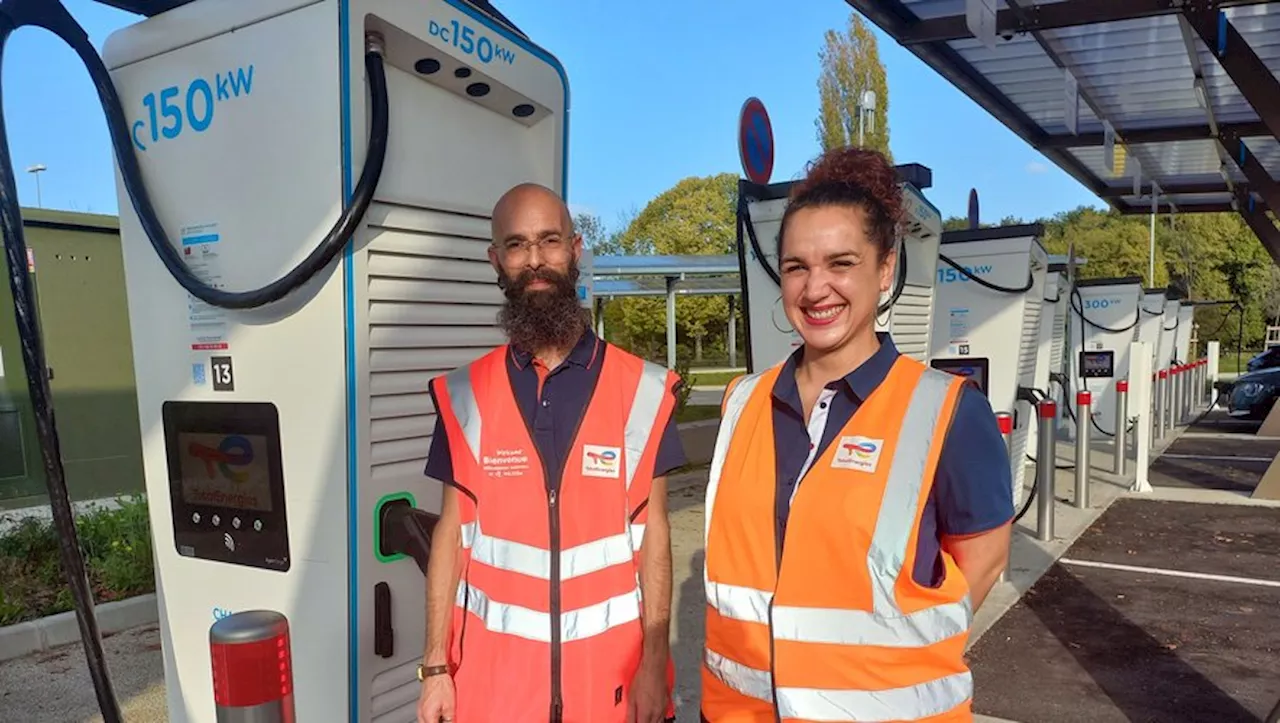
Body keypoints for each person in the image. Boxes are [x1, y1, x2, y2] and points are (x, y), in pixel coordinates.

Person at [701, 148, 1014, 722]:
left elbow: (984, 562)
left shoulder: (946, 412)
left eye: (840, 262)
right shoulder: (743, 402)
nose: (816, 288)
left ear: (885, 267)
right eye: (797, 266)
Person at [416, 183, 684, 723]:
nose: (535, 260)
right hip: (495, 695)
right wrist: (435, 669)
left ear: (576, 249)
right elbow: (450, 534)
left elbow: (654, 533)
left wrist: (654, 662)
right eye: (516, 245)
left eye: (549, 241)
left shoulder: (644, 391)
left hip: (609, 693)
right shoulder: (463, 395)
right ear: (496, 260)